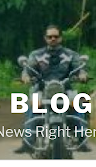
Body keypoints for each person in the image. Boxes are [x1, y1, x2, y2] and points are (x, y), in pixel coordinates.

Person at [14, 24, 91, 154]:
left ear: (60, 38)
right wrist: (25, 76)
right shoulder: (36, 55)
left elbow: (79, 68)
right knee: (33, 102)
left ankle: (82, 139)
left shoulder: (70, 55)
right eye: (50, 37)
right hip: (42, 90)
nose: (53, 39)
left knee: (78, 103)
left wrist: (82, 74)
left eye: (55, 36)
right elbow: (27, 70)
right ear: (45, 38)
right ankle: (28, 141)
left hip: (65, 90)